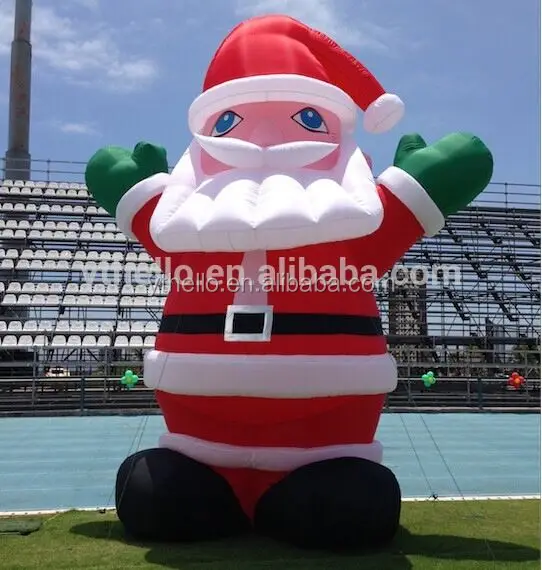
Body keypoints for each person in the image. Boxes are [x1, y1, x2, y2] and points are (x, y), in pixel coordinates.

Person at [85, 14, 493, 550]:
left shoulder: (355, 223)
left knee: (343, 506)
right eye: (229, 122)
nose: (262, 144)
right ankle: (203, 482)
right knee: (162, 498)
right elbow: (128, 193)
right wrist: (130, 187)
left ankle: (315, 488)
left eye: (306, 117)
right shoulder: (185, 222)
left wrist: (421, 182)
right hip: (198, 446)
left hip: (324, 445)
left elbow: (453, 170)